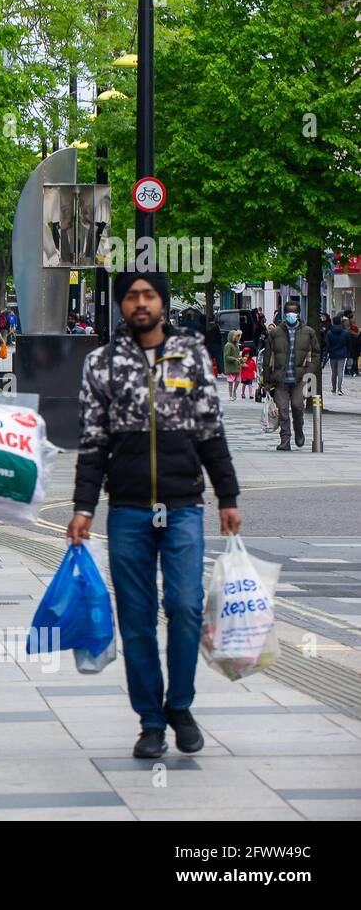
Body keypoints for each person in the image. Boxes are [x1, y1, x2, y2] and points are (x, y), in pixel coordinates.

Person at [68, 272, 240, 759]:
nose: (140, 303)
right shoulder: (101, 363)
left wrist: (227, 495)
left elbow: (210, 427)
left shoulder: (190, 355)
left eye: (149, 295)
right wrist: (84, 507)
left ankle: (179, 705)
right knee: (137, 618)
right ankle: (150, 721)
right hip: (126, 509)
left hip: (183, 505)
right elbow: (92, 442)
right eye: (131, 296)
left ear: (162, 303)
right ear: (121, 305)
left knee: (185, 607)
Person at [262, 300, 320, 451]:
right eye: (288, 313)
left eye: (293, 313)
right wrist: (266, 381)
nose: (291, 315)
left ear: (298, 314)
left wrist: (309, 371)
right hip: (280, 379)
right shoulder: (275, 333)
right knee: (282, 410)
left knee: (297, 407)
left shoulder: (308, 332)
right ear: (284, 314)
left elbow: (316, 354)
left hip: (299, 378)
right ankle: (285, 439)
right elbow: (267, 358)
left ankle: (299, 429)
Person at [325, 316, 351, 395]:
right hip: (342, 354)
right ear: (340, 322)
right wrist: (348, 352)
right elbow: (348, 343)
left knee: (334, 372)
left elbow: (327, 345)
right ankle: (339, 389)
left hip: (333, 354)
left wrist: (327, 353)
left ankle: (333, 388)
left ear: (333, 322)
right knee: (340, 372)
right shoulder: (345, 332)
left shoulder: (329, 333)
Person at [222, 329, 244, 400]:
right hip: (231, 367)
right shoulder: (228, 345)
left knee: (238, 380)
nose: (238, 338)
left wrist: (241, 360)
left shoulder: (237, 345)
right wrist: (234, 359)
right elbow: (226, 356)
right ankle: (230, 395)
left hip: (237, 366)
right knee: (230, 382)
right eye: (237, 336)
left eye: (239, 336)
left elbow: (238, 355)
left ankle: (234, 391)